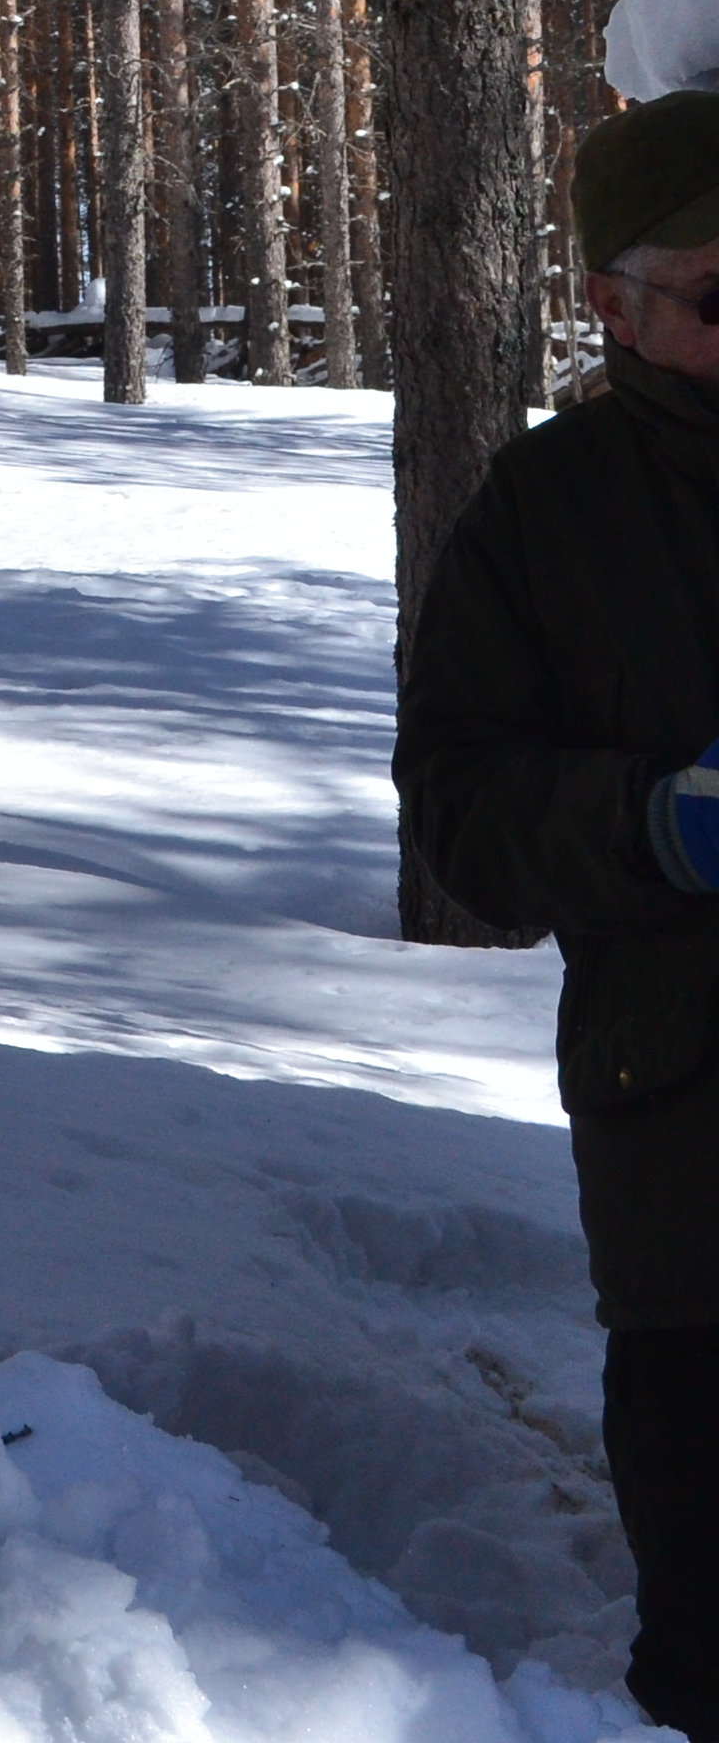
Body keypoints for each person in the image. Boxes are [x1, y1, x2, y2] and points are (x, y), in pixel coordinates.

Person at [396, 85, 719, 1738]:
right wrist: (650, 826)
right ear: (610, 300)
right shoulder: (544, 516)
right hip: (691, 1161)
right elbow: (458, 815)